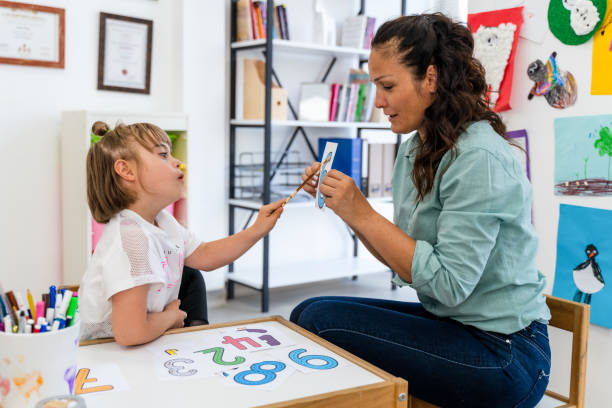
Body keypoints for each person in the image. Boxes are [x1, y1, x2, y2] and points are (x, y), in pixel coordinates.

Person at [290, 14, 551, 408]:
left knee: (319, 321)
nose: (378, 101)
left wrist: (362, 213)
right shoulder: (416, 147)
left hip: (507, 354)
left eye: (387, 86)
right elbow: (406, 264)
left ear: (430, 78)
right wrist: (348, 208)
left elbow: (448, 283)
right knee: (308, 311)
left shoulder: (478, 156)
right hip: (458, 325)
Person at [80, 121, 284, 346]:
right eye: (163, 155)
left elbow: (205, 255)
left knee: (192, 276)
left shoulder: (163, 222)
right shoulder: (131, 241)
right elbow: (131, 333)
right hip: (105, 350)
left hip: (143, 339)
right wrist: (171, 317)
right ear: (126, 171)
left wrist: (257, 230)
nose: (178, 162)